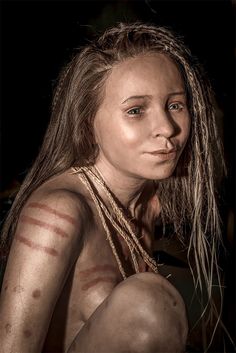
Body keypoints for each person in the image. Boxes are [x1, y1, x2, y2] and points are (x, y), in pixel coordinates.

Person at [0, 22, 225, 352]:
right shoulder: (58, 214)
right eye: (136, 110)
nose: (167, 128)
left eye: (175, 104)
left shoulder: (148, 203)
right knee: (148, 306)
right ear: (86, 121)